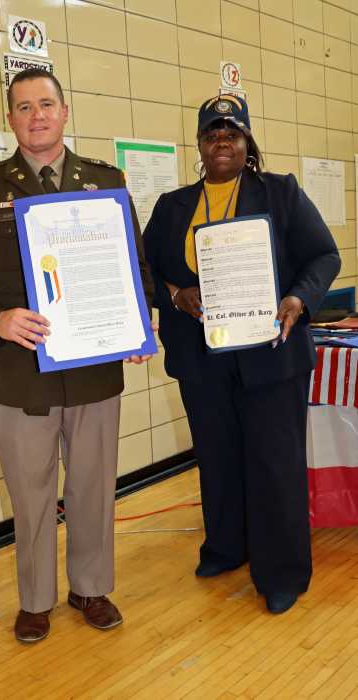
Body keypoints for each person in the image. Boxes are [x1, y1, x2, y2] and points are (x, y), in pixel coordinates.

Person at [0, 68, 154, 643]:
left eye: (46, 104)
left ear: (65, 112)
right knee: (31, 494)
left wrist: (135, 328)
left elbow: (133, 270)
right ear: (8, 118)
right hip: (19, 375)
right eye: (22, 107)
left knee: (93, 485)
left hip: (93, 371)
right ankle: (35, 599)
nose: (36, 115)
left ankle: (90, 587)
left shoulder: (105, 182)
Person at [144, 94, 341, 614]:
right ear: (200, 145)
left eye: (232, 133)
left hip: (271, 355)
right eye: (212, 134)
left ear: (247, 141)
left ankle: (281, 573)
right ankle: (226, 547)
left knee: (275, 464)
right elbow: (144, 270)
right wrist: (174, 295)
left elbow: (324, 254)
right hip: (202, 358)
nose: (222, 142)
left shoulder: (280, 194)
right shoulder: (172, 207)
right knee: (217, 456)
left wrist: (299, 298)